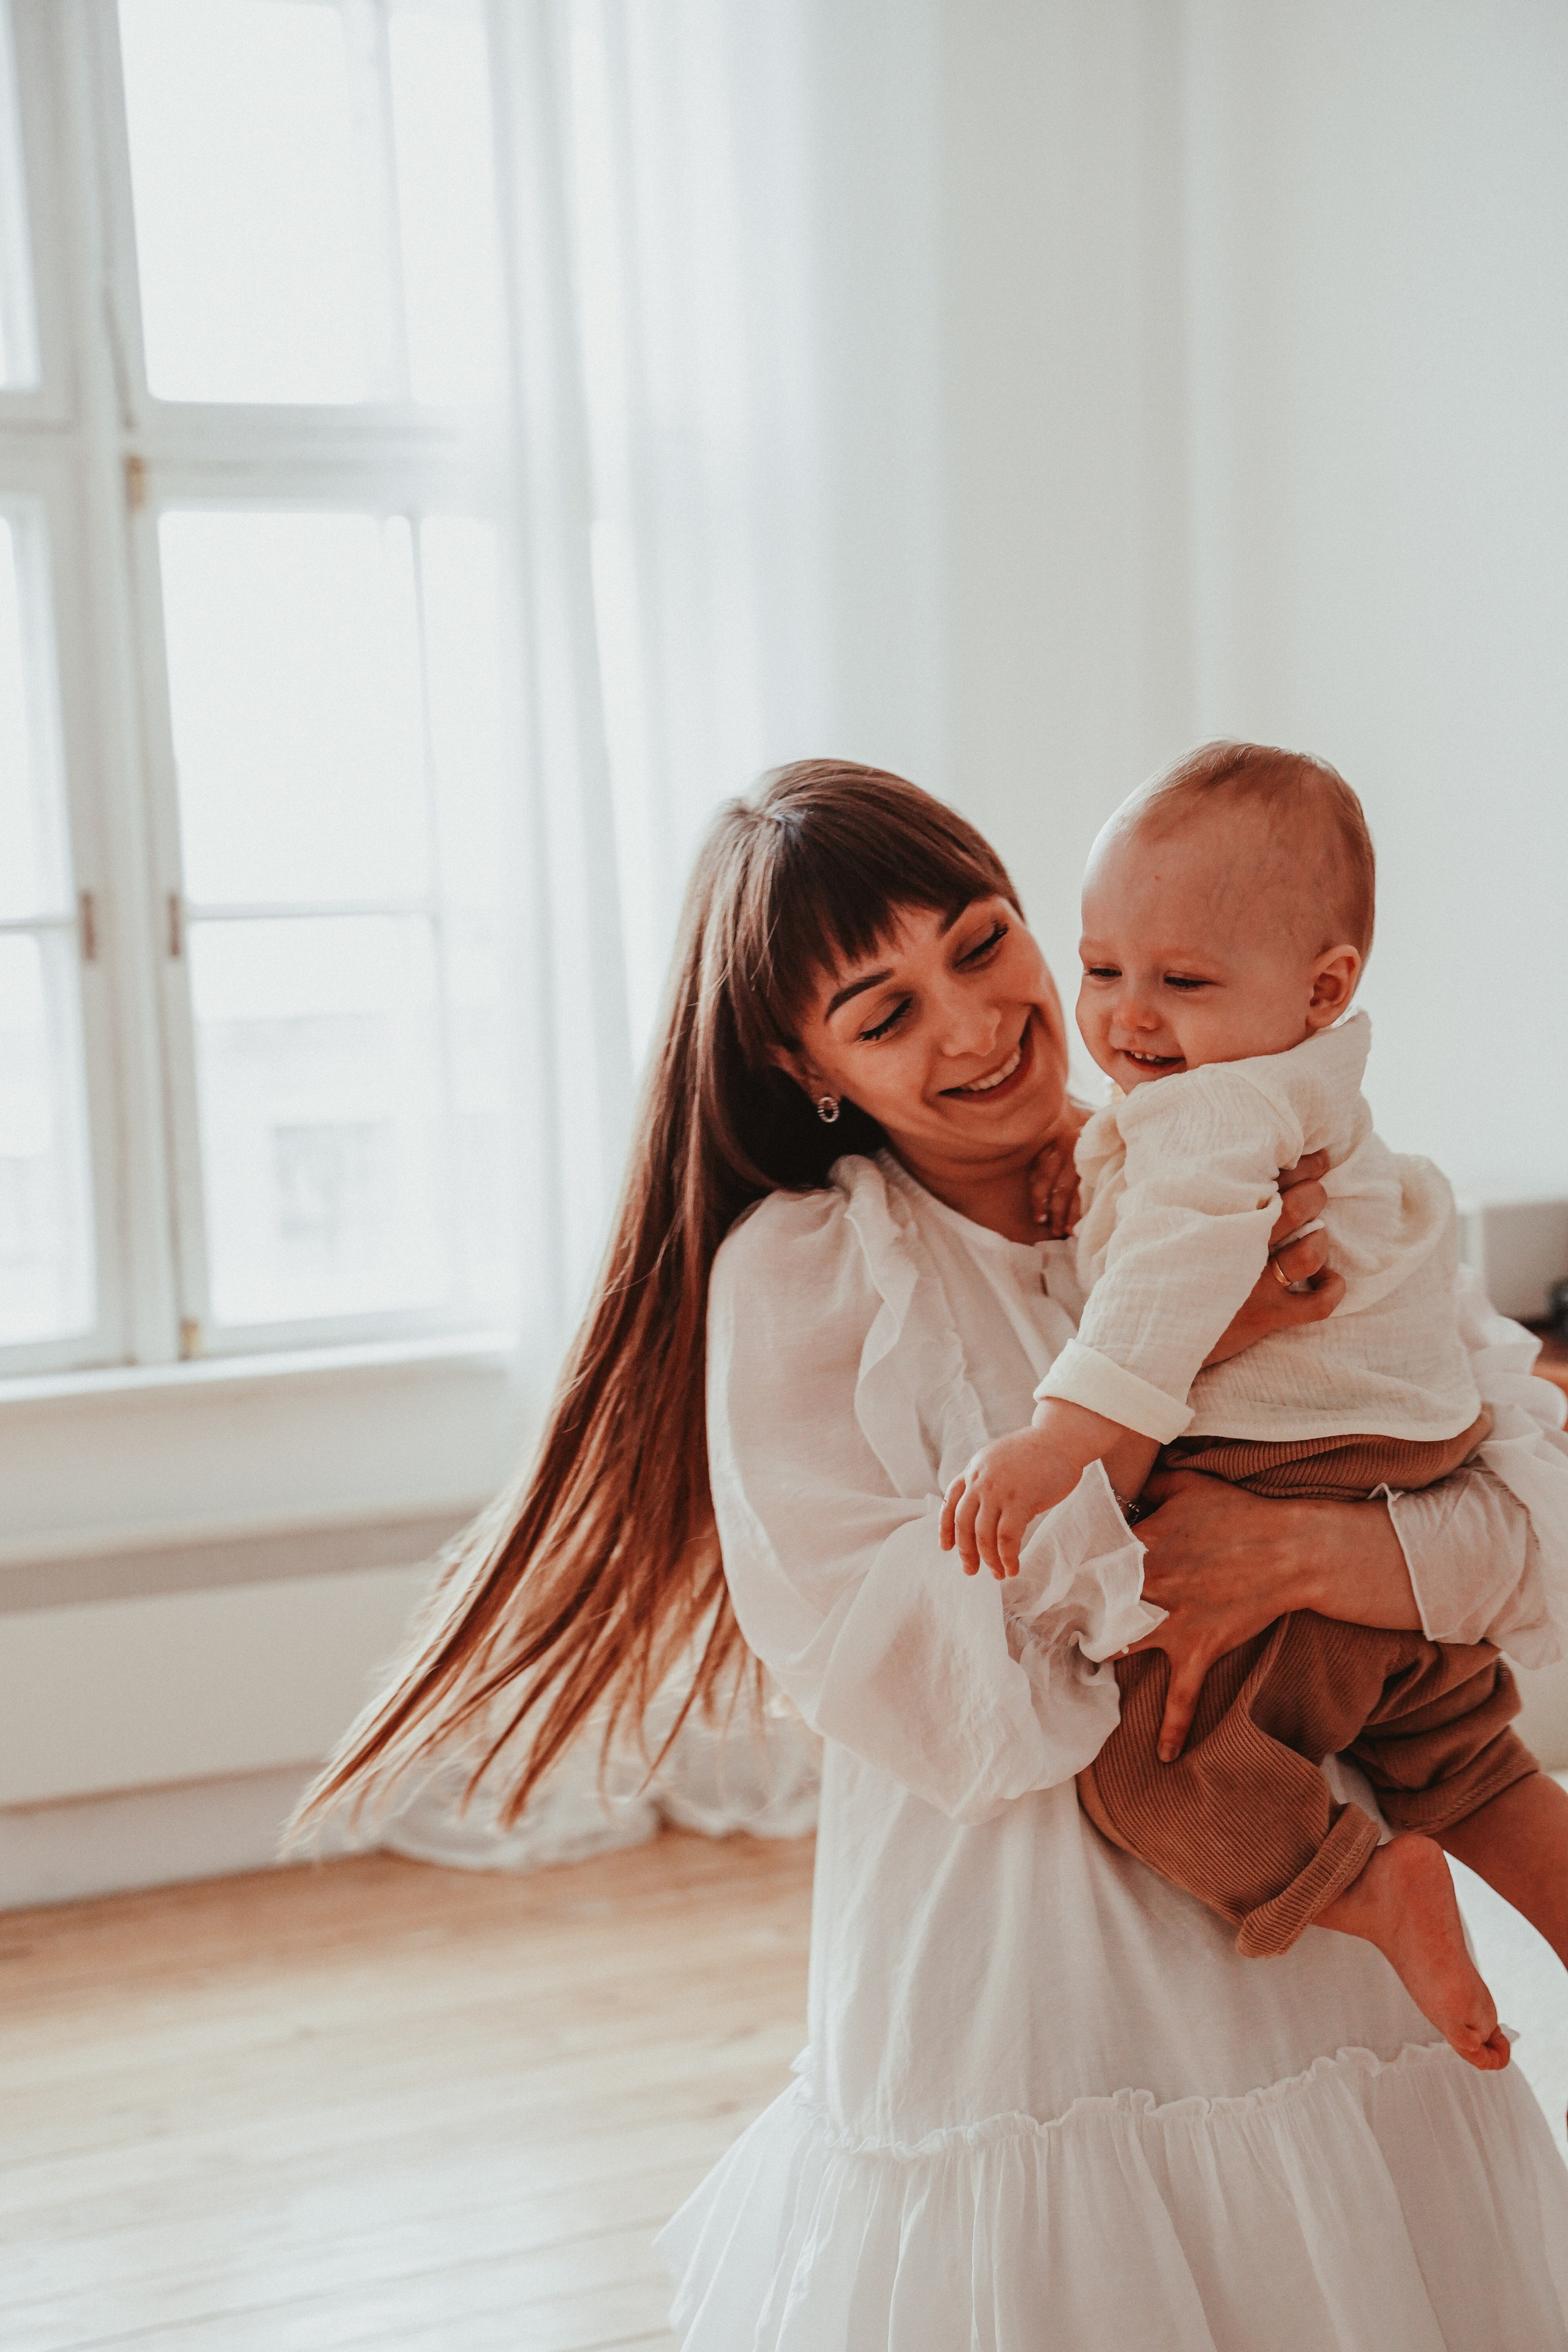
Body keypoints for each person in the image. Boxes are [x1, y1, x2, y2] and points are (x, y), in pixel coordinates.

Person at [297, 761, 1568, 2349]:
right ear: (802, 1060)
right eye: (883, 1012)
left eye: (980, 946)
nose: (972, 1026)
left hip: (1341, 1970)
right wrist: (1165, 1416)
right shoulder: (816, 1279)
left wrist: (1304, 1555)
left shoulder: (1223, 1159)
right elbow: (889, 1653)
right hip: (1024, 2002)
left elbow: (1530, 1517)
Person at [940, 740, 1568, 2073]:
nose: (1127, 1017)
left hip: (1291, 1472)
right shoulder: (1309, 1091)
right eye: (1101, 967)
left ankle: (1361, 1887)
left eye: (1181, 981)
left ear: (1320, 984)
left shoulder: (1208, 1120)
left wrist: (1061, 1436)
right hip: (1401, 1465)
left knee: (1148, 1769)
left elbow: (1165, 1280)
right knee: (1458, 1747)